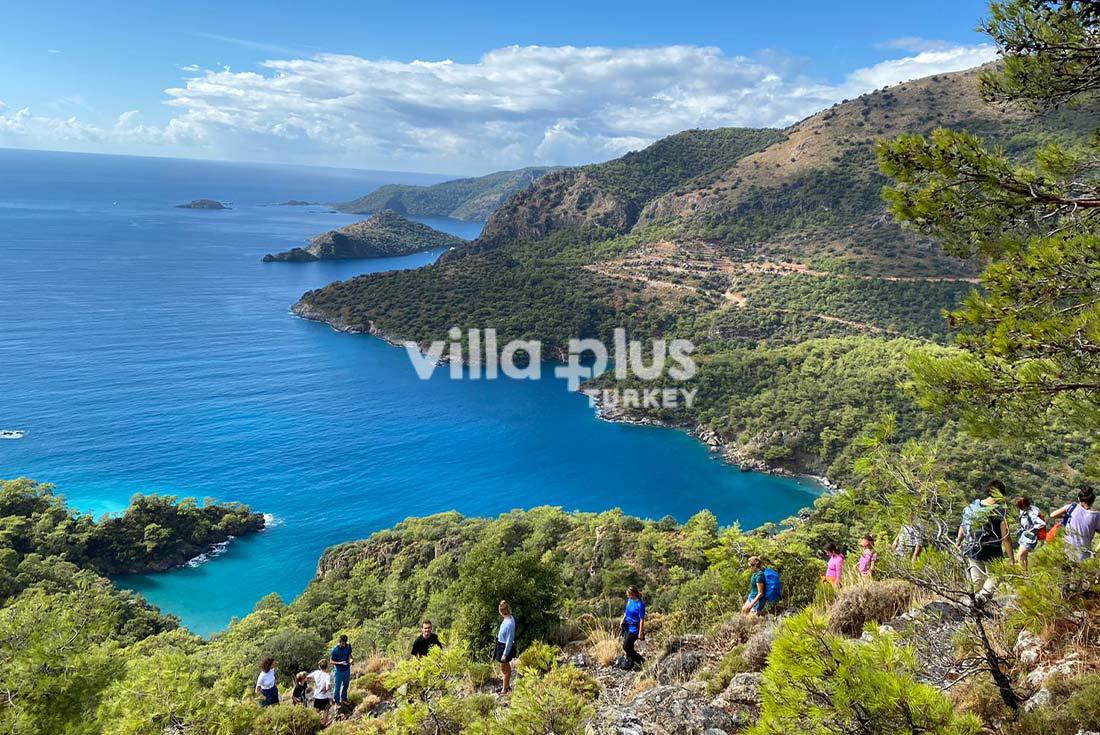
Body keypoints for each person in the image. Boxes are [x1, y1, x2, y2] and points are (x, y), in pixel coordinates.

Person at [957, 483, 1014, 600]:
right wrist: (1011, 558)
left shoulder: (973, 507)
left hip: (972, 547)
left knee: (976, 580)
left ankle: (973, 605)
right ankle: (982, 598)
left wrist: (959, 541)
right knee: (997, 575)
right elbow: (1006, 538)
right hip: (992, 550)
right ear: (1001, 494)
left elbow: (963, 526)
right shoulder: (1000, 511)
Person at [1053, 487, 1100, 562]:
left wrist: (1066, 516)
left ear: (1079, 499)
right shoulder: (1096, 515)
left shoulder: (1072, 507)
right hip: (1084, 554)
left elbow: (1053, 515)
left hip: (1066, 549)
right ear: (1093, 501)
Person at [1014, 496, 1046, 571]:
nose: (1019, 509)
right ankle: (1026, 573)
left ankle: (1022, 576)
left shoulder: (1032, 513)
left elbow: (1042, 523)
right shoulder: (1024, 510)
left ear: (1024, 506)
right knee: (1024, 557)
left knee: (1019, 556)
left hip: (1030, 538)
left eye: (1020, 507)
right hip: (1024, 535)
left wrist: (1032, 530)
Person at [621, 585, 646, 669]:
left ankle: (641, 660)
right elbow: (626, 611)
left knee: (626, 646)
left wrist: (640, 633)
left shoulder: (640, 604)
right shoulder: (629, 600)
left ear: (633, 594)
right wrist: (623, 619)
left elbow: (642, 619)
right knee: (629, 646)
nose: (628, 596)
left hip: (634, 628)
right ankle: (630, 664)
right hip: (627, 625)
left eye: (629, 594)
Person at [494, 600, 516, 695]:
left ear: (502, 611)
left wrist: (505, 654)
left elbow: (509, 640)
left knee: (505, 669)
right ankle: (506, 685)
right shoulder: (507, 618)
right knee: (503, 667)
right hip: (500, 645)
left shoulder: (510, 623)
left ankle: (505, 690)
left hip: (504, 647)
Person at [330, 634, 353, 705]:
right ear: (340, 642)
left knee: (346, 685)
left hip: (347, 669)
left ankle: (344, 699)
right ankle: (336, 701)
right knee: (337, 687)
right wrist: (340, 663)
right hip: (338, 671)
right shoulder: (334, 650)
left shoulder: (348, 646)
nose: (344, 645)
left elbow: (350, 655)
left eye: (345, 643)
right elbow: (331, 661)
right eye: (343, 643)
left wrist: (351, 660)